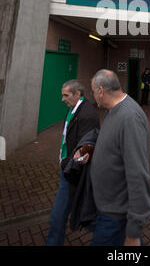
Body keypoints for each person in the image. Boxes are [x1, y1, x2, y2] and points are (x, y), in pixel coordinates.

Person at [88, 69, 150, 246]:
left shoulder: (129, 117)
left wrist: (133, 232)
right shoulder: (111, 111)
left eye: (93, 91)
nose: (93, 96)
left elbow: (138, 175)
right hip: (106, 210)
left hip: (116, 218)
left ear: (101, 90)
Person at [46, 80, 100, 246]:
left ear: (78, 94)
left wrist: (68, 163)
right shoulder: (74, 109)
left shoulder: (87, 115)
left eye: (66, 95)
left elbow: (88, 144)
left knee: (58, 216)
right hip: (69, 169)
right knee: (86, 215)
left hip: (72, 174)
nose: (62, 99)